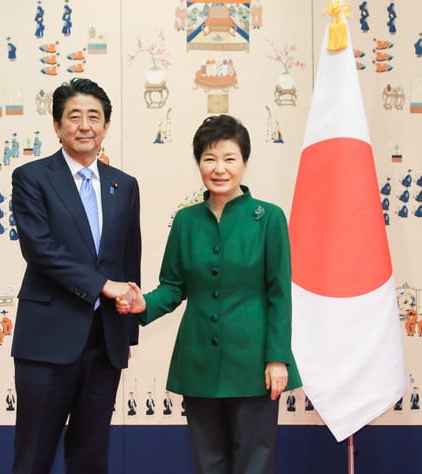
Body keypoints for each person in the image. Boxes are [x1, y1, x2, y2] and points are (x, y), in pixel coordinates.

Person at [117, 115, 301, 474]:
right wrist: (143, 304)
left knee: (255, 461)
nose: (219, 169)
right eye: (209, 158)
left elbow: (279, 294)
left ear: (244, 163)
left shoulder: (269, 219)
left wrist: (277, 359)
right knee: (207, 462)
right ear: (199, 163)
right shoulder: (186, 221)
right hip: (198, 360)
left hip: (254, 364)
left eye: (230, 159)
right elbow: (173, 286)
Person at [11, 77, 141, 474]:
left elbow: (128, 259)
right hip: (47, 342)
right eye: (74, 116)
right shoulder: (32, 177)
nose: (85, 125)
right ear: (57, 125)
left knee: (91, 455)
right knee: (34, 455)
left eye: (94, 117)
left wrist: (127, 332)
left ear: (106, 126)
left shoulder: (125, 184)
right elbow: (41, 251)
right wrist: (103, 285)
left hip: (104, 344)